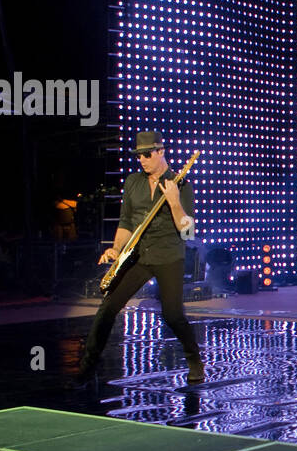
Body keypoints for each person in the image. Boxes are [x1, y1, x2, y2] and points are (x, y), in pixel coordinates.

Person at [75, 131, 203, 385]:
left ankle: (194, 360)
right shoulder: (133, 182)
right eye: (138, 155)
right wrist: (116, 249)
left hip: (168, 255)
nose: (141, 160)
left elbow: (188, 232)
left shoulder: (180, 184)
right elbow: (126, 223)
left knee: (173, 314)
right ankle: (86, 368)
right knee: (108, 307)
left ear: (160, 152)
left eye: (146, 155)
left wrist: (174, 202)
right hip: (139, 255)